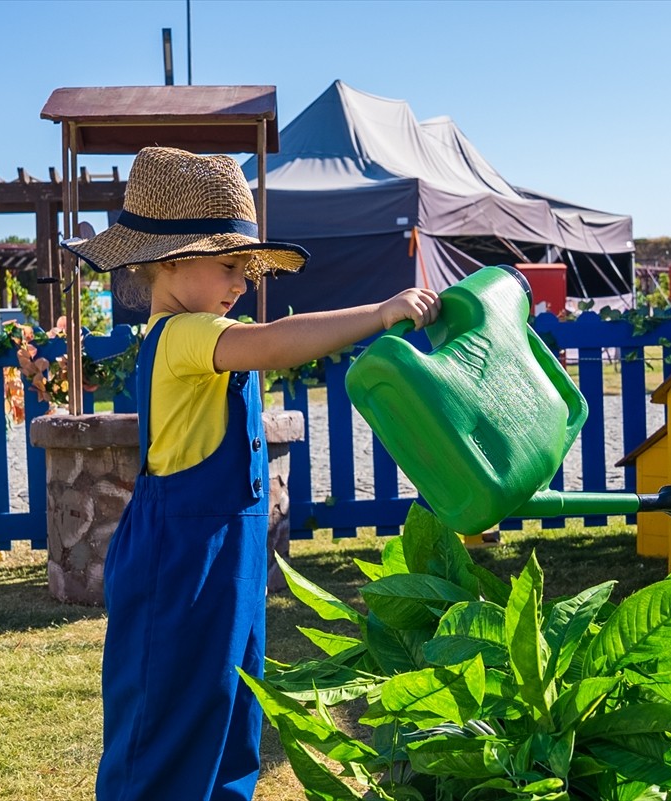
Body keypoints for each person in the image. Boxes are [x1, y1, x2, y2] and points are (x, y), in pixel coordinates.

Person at [61, 146, 440, 801]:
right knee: (166, 716)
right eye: (231, 265)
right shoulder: (184, 334)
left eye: (245, 267)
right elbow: (269, 343)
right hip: (178, 560)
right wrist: (378, 314)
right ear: (175, 259)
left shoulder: (208, 333)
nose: (243, 282)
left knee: (229, 701)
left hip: (225, 560)